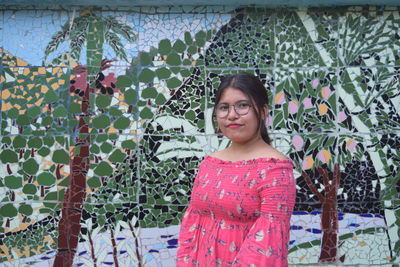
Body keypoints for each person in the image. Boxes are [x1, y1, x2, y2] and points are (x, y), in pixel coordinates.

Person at [176, 72, 296, 267]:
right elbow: (192, 226)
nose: (232, 115)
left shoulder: (275, 170)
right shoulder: (210, 164)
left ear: (263, 111)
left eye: (242, 105)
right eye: (224, 107)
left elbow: (266, 248)